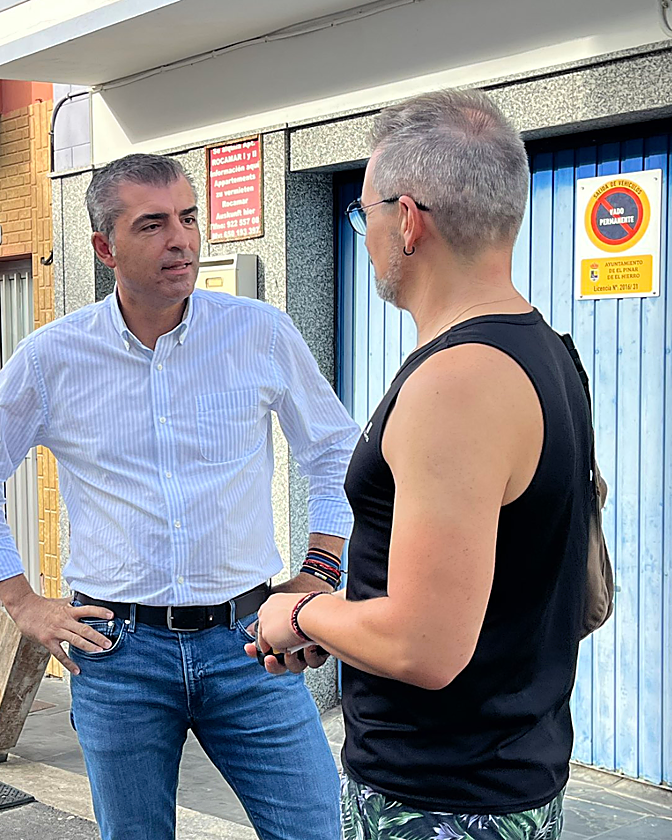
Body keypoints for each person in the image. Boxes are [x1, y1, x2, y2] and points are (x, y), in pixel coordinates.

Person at [0, 153, 360, 840]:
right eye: (154, 224)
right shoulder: (54, 358)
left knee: (314, 829)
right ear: (104, 247)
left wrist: (320, 570)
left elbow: (333, 449)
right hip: (118, 655)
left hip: (250, 640)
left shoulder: (259, 333)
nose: (182, 239)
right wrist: (18, 600)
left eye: (190, 218)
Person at [251, 89, 591, 839]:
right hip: (500, 779)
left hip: (441, 799)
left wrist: (299, 610)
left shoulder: (456, 384)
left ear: (406, 220)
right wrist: (340, 630)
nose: (365, 232)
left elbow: (425, 645)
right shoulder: (546, 354)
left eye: (363, 212)